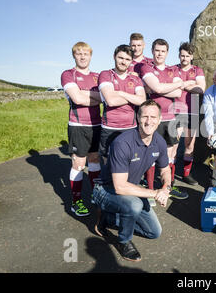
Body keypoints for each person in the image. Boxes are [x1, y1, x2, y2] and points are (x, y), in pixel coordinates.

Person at [93, 100, 171, 262]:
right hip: (105, 190)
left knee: (154, 232)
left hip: (131, 189)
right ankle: (123, 241)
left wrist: (165, 188)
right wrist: (155, 193)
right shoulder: (123, 143)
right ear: (137, 117)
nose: (149, 121)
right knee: (134, 205)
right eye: (145, 116)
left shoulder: (159, 142)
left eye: (153, 117)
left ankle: (108, 218)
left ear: (160, 119)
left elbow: (165, 170)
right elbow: (120, 187)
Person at [140, 38, 190, 199]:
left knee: (171, 154)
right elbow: (157, 87)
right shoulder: (146, 67)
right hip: (153, 119)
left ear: (167, 53)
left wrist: (157, 89)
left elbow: (176, 92)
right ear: (152, 51)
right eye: (157, 50)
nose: (160, 54)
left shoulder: (173, 70)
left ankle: (167, 187)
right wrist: (162, 87)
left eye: (163, 51)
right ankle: (150, 190)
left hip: (170, 118)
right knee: (151, 154)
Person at [61, 42, 102, 217]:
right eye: (79, 53)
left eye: (86, 53)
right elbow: (77, 98)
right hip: (78, 125)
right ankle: (76, 202)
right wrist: (94, 97)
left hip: (97, 125)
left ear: (91, 55)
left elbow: (104, 97)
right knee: (78, 163)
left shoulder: (97, 76)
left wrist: (87, 95)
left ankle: (95, 194)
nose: (83, 56)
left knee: (94, 160)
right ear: (74, 56)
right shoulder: (68, 74)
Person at [98, 45, 146, 165]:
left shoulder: (135, 79)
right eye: (120, 58)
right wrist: (132, 97)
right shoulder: (105, 75)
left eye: (127, 59)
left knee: (129, 161)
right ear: (114, 57)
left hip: (130, 128)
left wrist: (120, 93)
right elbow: (111, 101)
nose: (123, 62)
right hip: (110, 128)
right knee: (107, 162)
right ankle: (106, 183)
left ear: (131, 61)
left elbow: (142, 101)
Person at [173, 42, 206, 185]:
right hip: (176, 111)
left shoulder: (197, 70)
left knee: (189, 145)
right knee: (173, 145)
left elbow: (201, 89)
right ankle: (171, 176)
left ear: (191, 56)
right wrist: (191, 84)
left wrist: (183, 84)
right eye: (182, 55)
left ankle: (187, 174)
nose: (184, 58)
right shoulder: (173, 70)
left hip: (192, 111)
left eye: (187, 55)